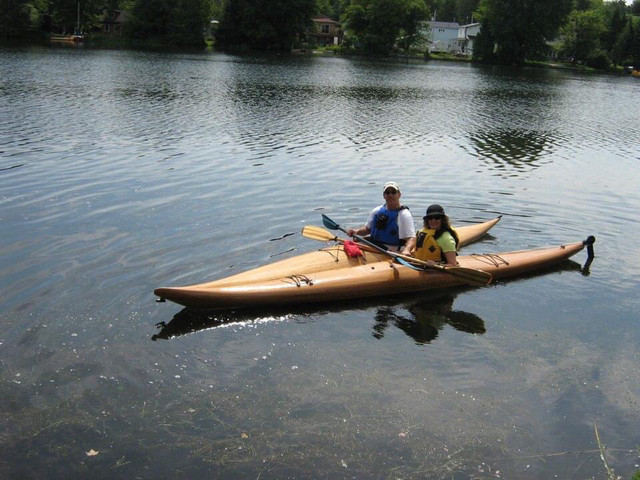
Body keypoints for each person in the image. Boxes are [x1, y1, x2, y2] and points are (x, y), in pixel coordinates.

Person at [346, 181, 415, 252]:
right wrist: (356, 231)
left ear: (399, 195)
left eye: (393, 192)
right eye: (387, 193)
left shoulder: (404, 214)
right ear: (384, 196)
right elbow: (368, 229)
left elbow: (411, 238)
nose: (390, 195)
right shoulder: (377, 211)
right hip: (374, 245)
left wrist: (407, 250)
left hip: (392, 250)